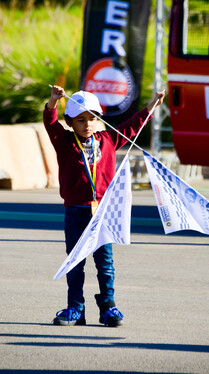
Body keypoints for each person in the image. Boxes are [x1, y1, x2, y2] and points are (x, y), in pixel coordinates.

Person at [44, 85, 165, 327]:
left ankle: (107, 307)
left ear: (98, 119)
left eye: (92, 119)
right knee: (75, 261)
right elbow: (50, 122)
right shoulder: (64, 141)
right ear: (70, 122)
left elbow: (133, 125)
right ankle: (75, 308)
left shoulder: (108, 139)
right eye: (81, 120)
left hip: (103, 214)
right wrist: (52, 102)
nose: (87, 125)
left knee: (105, 263)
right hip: (75, 211)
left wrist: (152, 105)